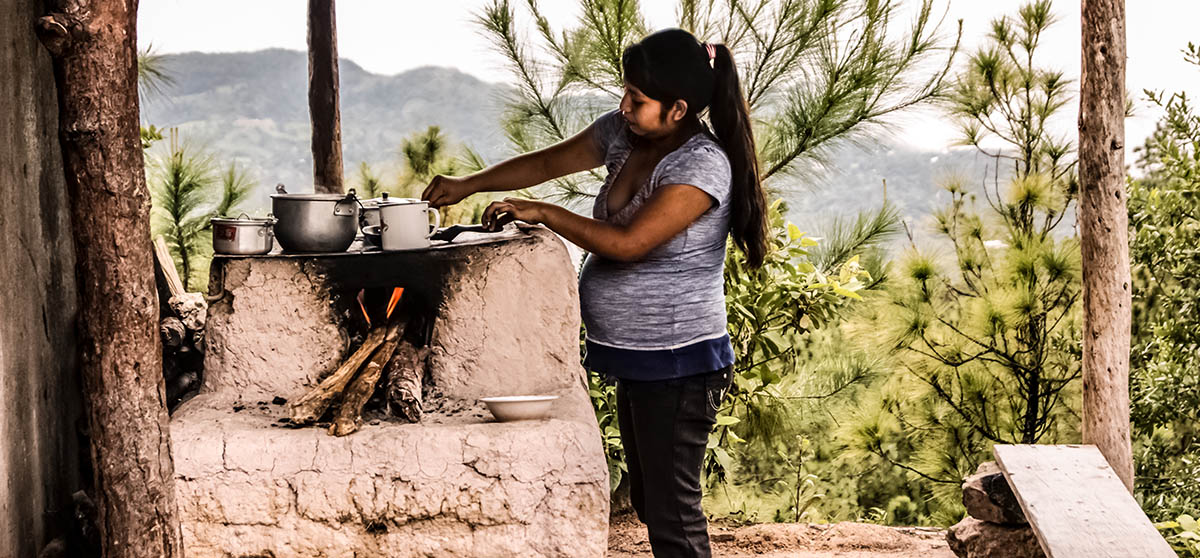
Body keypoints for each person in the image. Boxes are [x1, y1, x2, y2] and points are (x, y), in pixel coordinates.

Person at [422, 28, 768, 558]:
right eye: (624, 91)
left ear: (678, 109)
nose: (624, 106)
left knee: (673, 513)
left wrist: (544, 212)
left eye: (638, 99)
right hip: (640, 361)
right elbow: (544, 164)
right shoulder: (623, 135)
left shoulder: (699, 165)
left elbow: (628, 244)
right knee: (655, 502)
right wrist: (470, 183)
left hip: (678, 363)